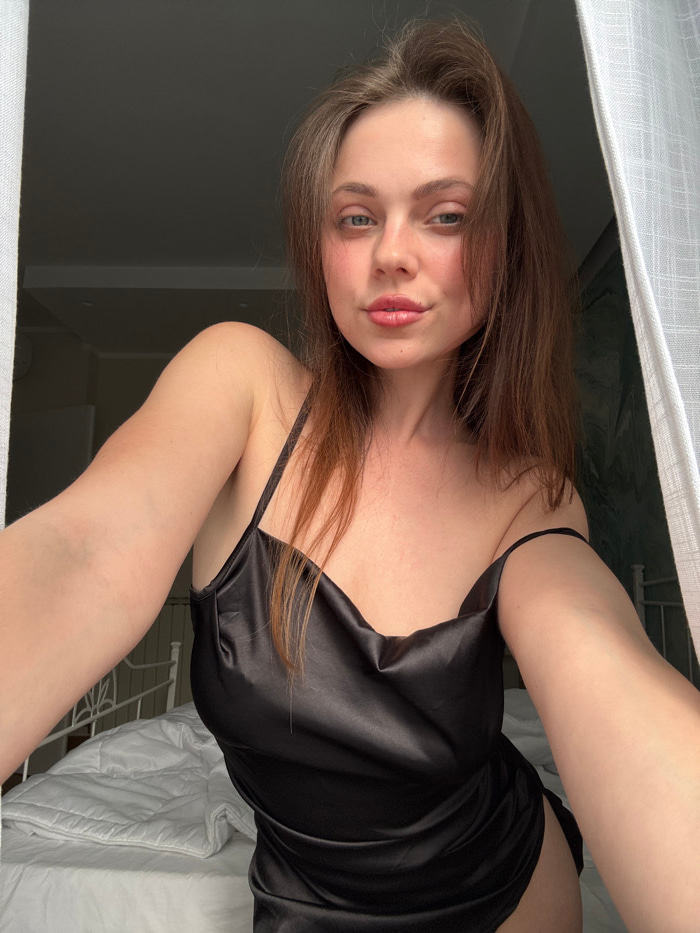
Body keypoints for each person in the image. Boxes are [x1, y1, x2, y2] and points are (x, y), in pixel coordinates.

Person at [1, 18, 699, 933]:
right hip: (305, 903)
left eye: (445, 215)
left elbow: (601, 662)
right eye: (356, 217)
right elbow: (84, 556)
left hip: (508, 889)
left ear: (503, 247)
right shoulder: (242, 386)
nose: (391, 253)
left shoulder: (532, 494)